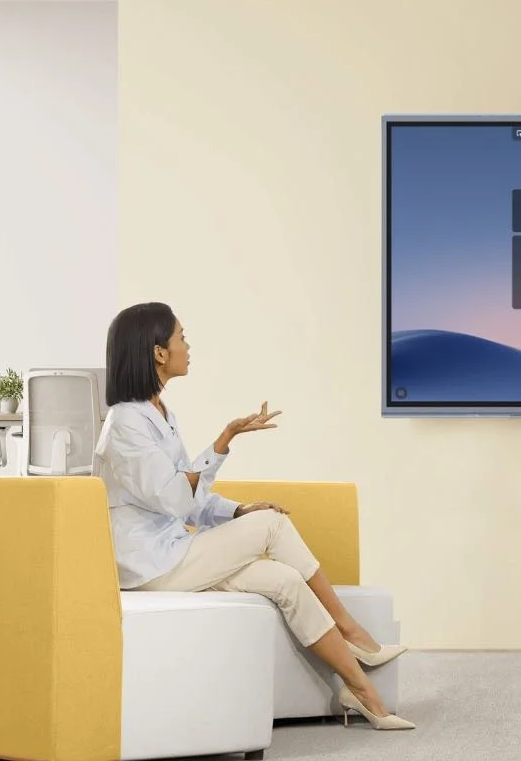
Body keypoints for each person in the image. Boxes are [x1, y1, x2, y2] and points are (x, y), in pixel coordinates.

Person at [95, 301, 414, 731]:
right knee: (273, 525)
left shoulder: (161, 415)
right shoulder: (125, 423)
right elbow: (175, 497)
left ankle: (360, 692)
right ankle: (352, 631)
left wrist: (238, 509)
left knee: (284, 581)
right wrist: (223, 443)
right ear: (157, 353)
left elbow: (188, 496)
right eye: (181, 337)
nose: (188, 346)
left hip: (175, 551)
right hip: (150, 565)